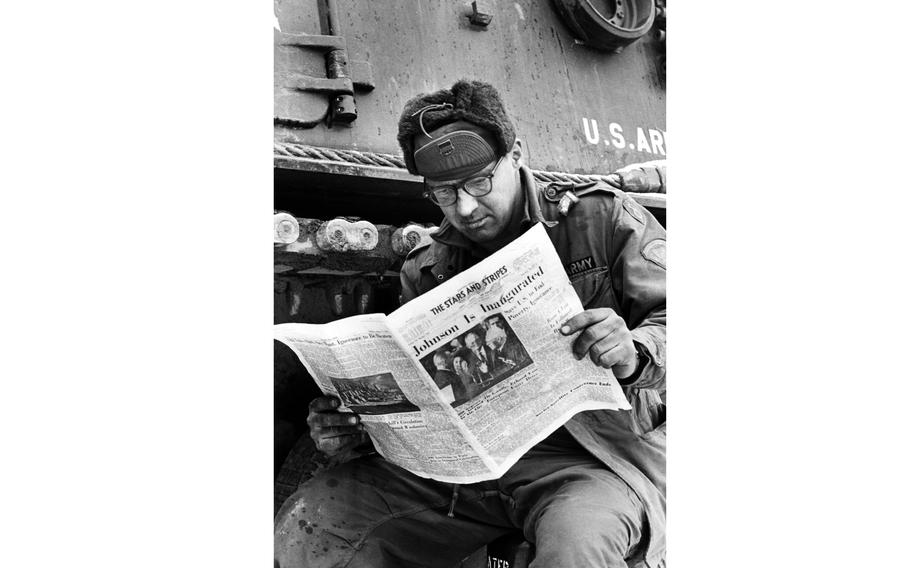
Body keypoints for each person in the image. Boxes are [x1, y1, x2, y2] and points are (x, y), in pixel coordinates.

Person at [275, 79, 666, 568]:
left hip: (590, 459)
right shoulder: (426, 268)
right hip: (464, 471)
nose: (463, 208)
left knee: (576, 550)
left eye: (478, 183)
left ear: (516, 154)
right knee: (316, 526)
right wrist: (355, 426)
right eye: (442, 192)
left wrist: (635, 351)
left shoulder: (601, 219)